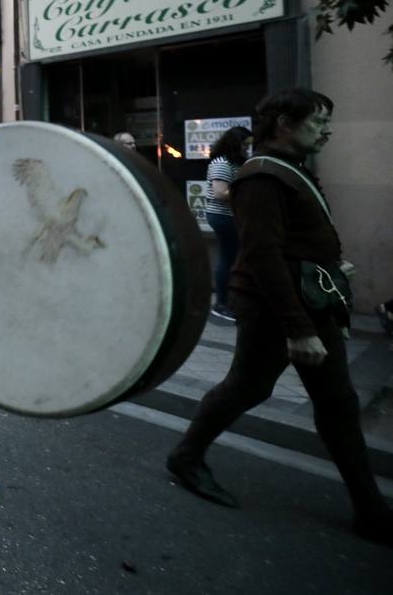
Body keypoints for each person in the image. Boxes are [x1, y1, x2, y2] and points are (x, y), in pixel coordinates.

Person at [166, 88, 391, 547]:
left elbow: (288, 245)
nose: (326, 130)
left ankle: (370, 509)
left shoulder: (286, 170)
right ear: (284, 123)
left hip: (301, 301)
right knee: (281, 392)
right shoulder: (263, 177)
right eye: (317, 121)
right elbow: (263, 256)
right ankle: (187, 455)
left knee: (326, 401)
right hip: (279, 308)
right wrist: (300, 329)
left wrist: (328, 265)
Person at [203, 125, 253, 322]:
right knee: (228, 257)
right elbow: (220, 192)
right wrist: (249, 191)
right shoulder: (221, 163)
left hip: (232, 216)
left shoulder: (236, 162)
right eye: (244, 145)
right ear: (235, 144)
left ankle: (228, 300)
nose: (247, 149)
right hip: (223, 217)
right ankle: (221, 303)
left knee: (232, 257)